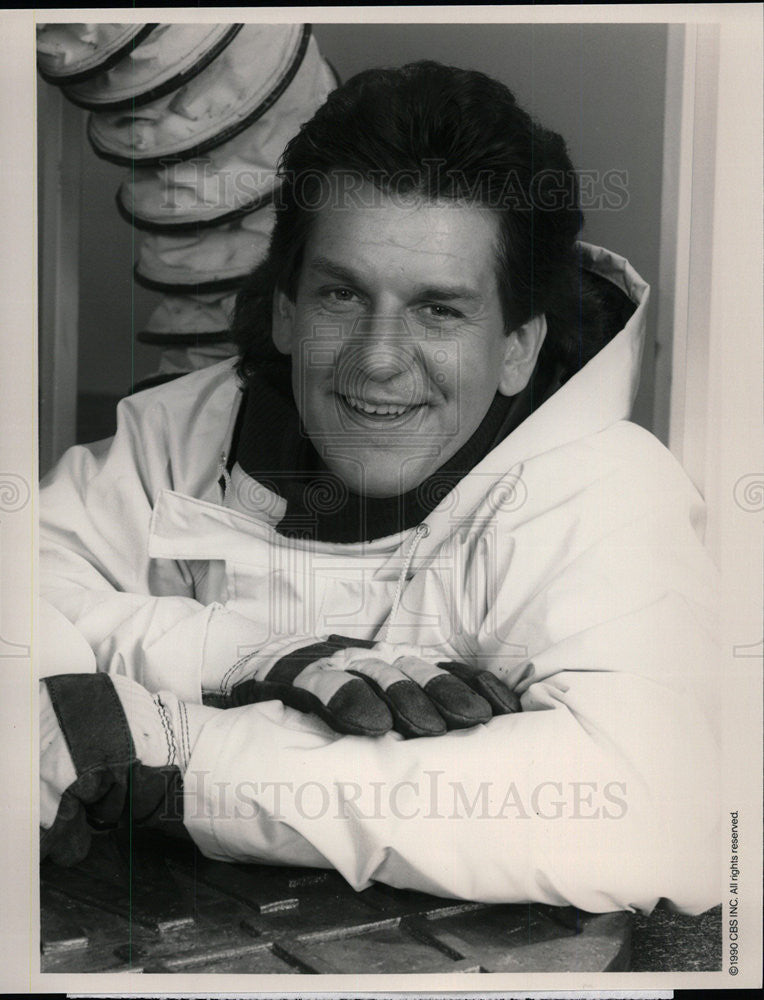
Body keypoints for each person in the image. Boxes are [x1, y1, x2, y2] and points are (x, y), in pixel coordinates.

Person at [39, 62, 720, 915]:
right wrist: (234, 655)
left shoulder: (605, 489)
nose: (380, 357)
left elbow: (654, 815)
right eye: (341, 295)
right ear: (285, 309)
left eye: (440, 309)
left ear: (517, 344)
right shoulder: (186, 431)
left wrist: (179, 755)